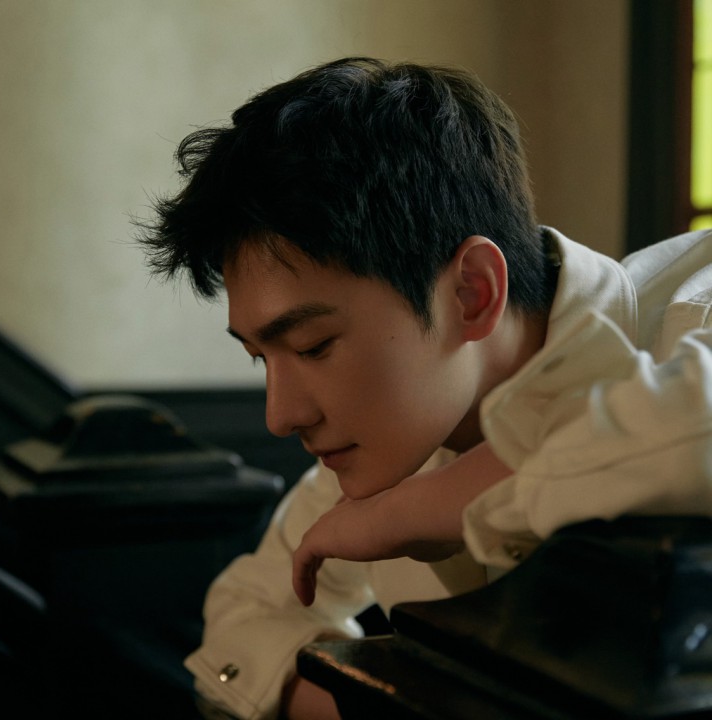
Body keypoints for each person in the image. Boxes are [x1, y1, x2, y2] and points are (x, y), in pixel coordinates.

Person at [138, 57, 712, 720]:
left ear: (473, 292)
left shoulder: (694, 308)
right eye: (261, 359)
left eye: (313, 346)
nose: (280, 415)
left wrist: (434, 505)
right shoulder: (391, 448)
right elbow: (242, 619)